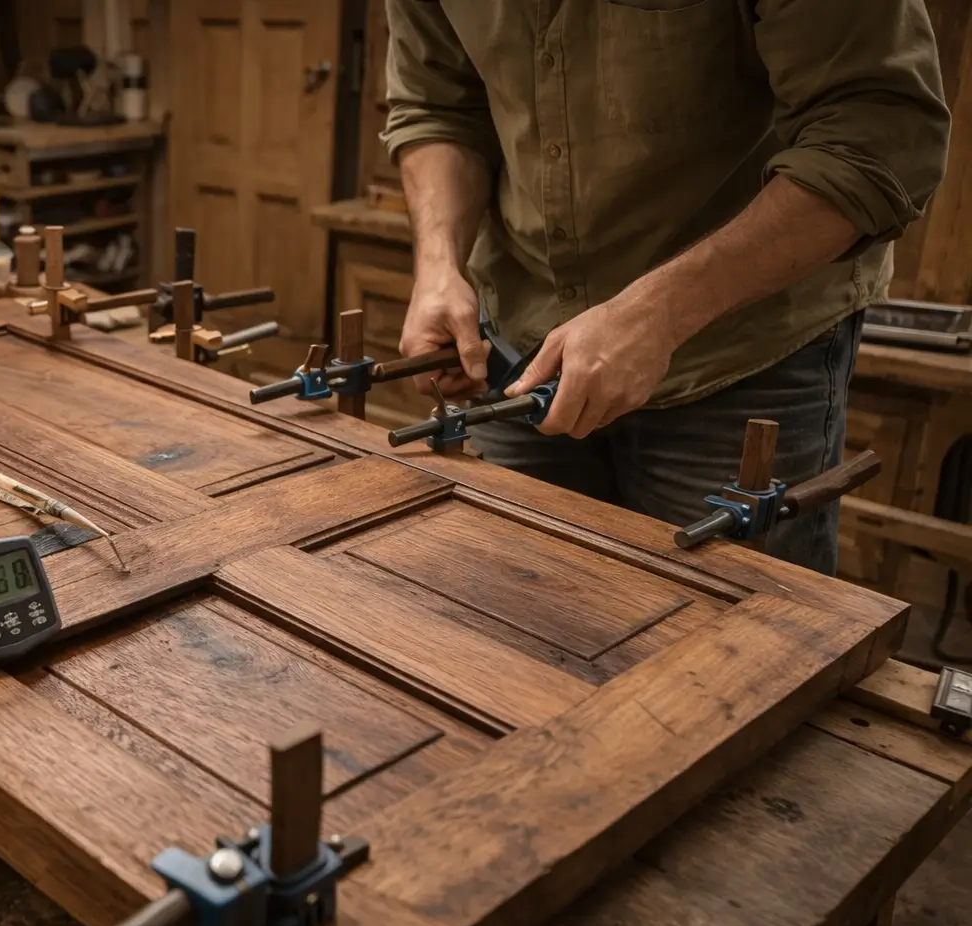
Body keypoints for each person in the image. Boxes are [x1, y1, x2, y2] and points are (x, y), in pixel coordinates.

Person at [386, 0, 950, 574]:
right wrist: (438, 267)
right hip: (524, 339)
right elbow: (439, 104)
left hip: (738, 354)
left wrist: (660, 313)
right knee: (497, 613)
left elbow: (877, 137)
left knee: (734, 642)